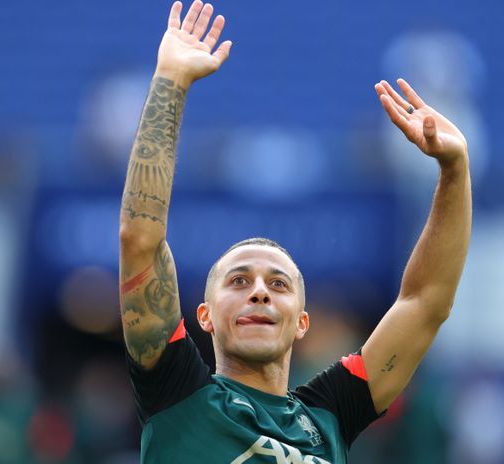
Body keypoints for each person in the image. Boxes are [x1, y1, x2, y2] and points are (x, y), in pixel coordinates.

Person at [118, 1, 471, 462]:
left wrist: (455, 170)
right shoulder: (178, 392)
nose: (260, 293)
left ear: (302, 322)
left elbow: (425, 303)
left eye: (278, 284)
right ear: (203, 317)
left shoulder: (331, 416)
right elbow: (139, 240)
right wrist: (170, 81)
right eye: (239, 281)